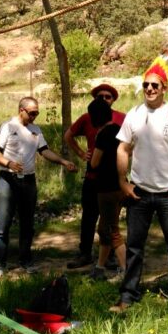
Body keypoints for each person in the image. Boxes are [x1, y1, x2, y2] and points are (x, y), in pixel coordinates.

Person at [110, 57, 168, 313]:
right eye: (146, 85)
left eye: (155, 86)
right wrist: (122, 182)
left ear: (164, 88)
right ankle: (128, 296)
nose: (149, 89)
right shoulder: (133, 116)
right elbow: (122, 149)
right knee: (134, 247)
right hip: (139, 193)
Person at [0, 97, 77, 276]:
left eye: (37, 113)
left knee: (28, 224)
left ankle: (25, 261)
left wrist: (63, 161)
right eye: (32, 113)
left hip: (28, 181)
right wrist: (8, 164)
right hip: (8, 179)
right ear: (21, 110)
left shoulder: (36, 130)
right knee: (3, 225)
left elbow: (44, 151)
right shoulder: (7, 126)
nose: (34, 116)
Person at [64, 83, 126, 269]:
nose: (104, 99)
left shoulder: (121, 118)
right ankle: (86, 254)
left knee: (109, 223)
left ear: (113, 99)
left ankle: (112, 259)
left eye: (108, 96)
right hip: (93, 179)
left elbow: (131, 143)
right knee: (89, 217)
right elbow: (68, 135)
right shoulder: (87, 117)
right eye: (100, 96)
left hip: (112, 180)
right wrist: (82, 154)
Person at [86, 98, 125, 281]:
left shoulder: (103, 134)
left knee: (111, 230)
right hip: (120, 184)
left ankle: (126, 270)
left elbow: (94, 163)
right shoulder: (119, 130)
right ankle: (100, 268)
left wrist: (91, 154)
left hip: (106, 188)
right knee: (104, 229)